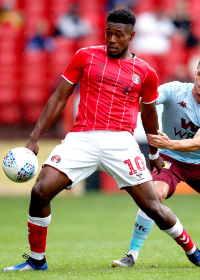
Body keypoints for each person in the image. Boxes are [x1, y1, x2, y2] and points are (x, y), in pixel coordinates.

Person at [3, 8, 200, 272]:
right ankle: (37, 260)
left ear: (131, 36)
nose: (112, 39)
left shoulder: (145, 72)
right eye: (108, 33)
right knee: (40, 191)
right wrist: (34, 137)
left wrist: (154, 153)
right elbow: (60, 97)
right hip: (81, 138)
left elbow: (150, 115)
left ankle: (193, 251)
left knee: (152, 205)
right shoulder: (84, 56)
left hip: (121, 143)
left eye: (118, 35)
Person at [112, 61, 200, 267]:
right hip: (172, 161)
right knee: (153, 195)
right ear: (195, 73)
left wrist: (169, 143)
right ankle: (131, 254)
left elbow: (196, 143)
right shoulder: (176, 91)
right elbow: (147, 101)